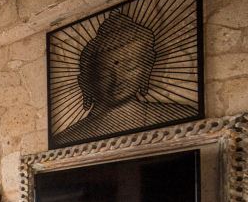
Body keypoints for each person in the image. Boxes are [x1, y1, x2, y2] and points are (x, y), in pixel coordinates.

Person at [52, 11, 196, 147]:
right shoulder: (66, 139)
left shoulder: (179, 116)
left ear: (146, 69)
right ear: (86, 82)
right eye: (104, 72)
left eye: (130, 67)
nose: (118, 79)